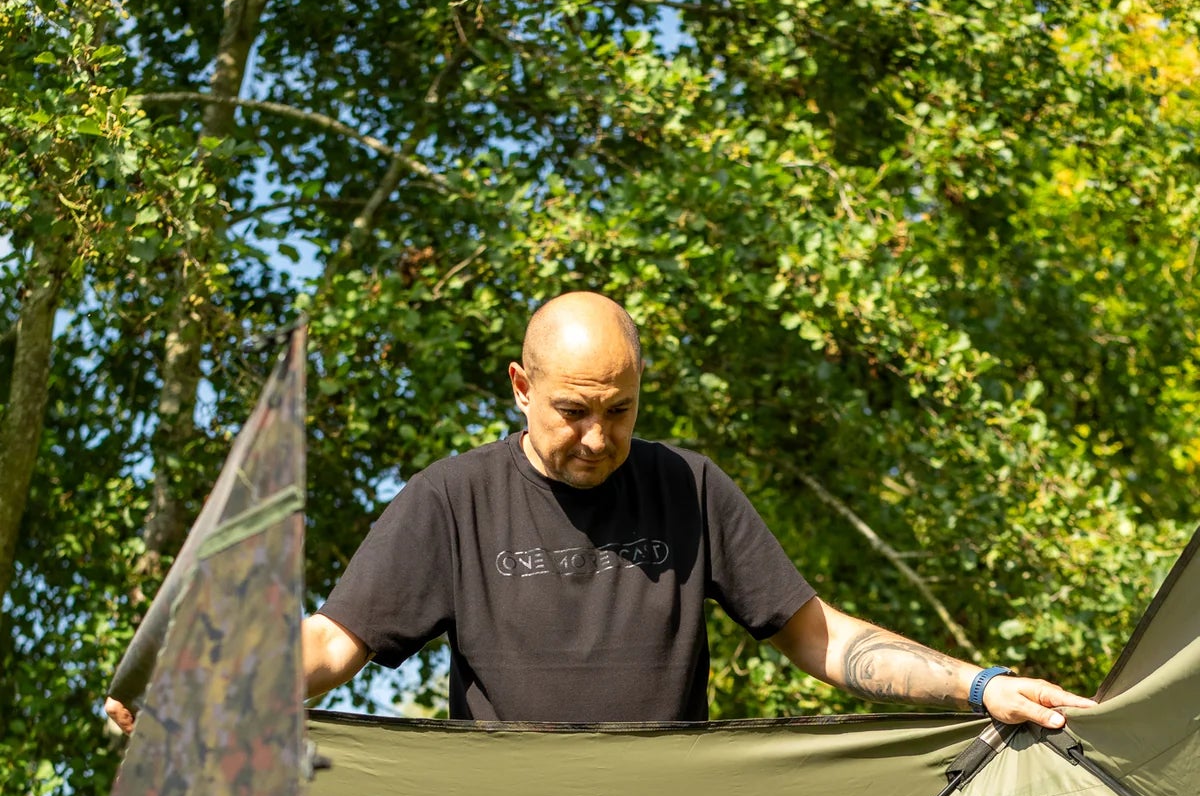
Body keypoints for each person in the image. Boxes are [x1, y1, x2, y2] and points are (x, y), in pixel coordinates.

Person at [106, 291, 1093, 732]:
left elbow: (823, 638)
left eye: (620, 410)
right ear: (519, 387)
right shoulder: (454, 500)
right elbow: (324, 652)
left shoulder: (689, 488)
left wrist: (980, 685)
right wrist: (195, 699)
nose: (597, 436)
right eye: (574, 411)